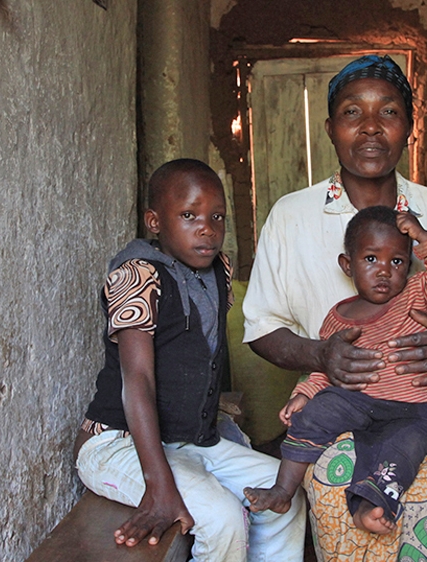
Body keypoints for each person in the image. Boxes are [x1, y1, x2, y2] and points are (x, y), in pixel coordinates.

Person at [242, 55, 427, 559]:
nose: (371, 128)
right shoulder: (291, 217)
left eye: (389, 112)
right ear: (330, 128)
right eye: (353, 113)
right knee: (337, 491)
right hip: (340, 387)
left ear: (409, 127)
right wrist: (321, 357)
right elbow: (262, 326)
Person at [73, 159, 306, 562]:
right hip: (117, 444)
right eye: (188, 215)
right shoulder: (137, 275)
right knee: (222, 518)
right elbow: (138, 381)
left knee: (283, 488)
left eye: (217, 216)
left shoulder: (218, 270)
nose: (207, 228)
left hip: (186, 440)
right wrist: (159, 485)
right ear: (154, 221)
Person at [244, 205, 427, 535]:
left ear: (410, 264)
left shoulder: (417, 294)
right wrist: (304, 395)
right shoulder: (338, 317)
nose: (385, 270)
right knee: (314, 415)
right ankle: (283, 491)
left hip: (415, 409)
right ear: (348, 265)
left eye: (397, 261)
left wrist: (422, 236)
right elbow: (329, 367)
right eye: (371, 259)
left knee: (400, 452)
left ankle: (368, 507)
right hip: (357, 400)